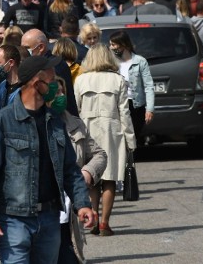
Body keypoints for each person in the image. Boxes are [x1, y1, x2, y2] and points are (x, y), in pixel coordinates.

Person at [0, 56, 96, 263]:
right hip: (14, 219)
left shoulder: (55, 122)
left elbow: (70, 169)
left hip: (50, 217)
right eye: (50, 80)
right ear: (36, 83)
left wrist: (82, 204)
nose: (55, 85)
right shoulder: (1, 122)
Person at [74, 44, 136, 236]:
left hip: (87, 130)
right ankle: (104, 223)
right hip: (112, 131)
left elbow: (76, 109)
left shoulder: (81, 80)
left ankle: (92, 219)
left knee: (92, 178)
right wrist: (131, 141)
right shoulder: (118, 80)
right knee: (109, 179)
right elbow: (124, 113)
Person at [52, 77, 107, 264]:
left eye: (62, 92)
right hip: (40, 213)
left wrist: (88, 172)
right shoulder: (25, 124)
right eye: (55, 92)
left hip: (68, 214)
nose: (60, 97)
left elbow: (100, 154)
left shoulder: (75, 124)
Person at [108, 31, 154, 141]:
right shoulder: (112, 62)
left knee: (134, 137)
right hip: (119, 104)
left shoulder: (140, 61)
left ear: (123, 44)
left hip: (136, 105)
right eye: (110, 44)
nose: (111, 47)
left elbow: (148, 86)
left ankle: (131, 157)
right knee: (121, 138)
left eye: (113, 45)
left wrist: (150, 109)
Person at [22, 29, 78, 116]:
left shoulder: (53, 67)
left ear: (40, 47)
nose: (24, 52)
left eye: (26, 48)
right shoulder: (39, 65)